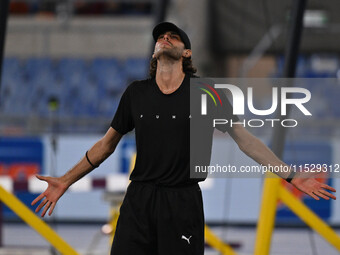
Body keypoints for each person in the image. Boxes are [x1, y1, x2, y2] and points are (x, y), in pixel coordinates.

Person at [32, 22, 336, 255]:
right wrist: (66, 180)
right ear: (154, 52)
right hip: (139, 200)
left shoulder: (205, 92)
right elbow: (105, 146)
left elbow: (246, 140)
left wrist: (291, 175)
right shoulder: (136, 93)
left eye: (173, 37)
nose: (164, 39)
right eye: (160, 37)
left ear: (186, 52)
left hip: (182, 202)